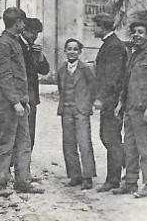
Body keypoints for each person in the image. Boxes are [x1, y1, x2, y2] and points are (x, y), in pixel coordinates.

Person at [0, 7, 44, 197]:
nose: (24, 25)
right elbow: (4, 76)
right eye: (23, 22)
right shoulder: (2, 44)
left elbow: (21, 76)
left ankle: (23, 181)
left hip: (20, 102)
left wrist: (24, 100)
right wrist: (15, 102)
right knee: (5, 143)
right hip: (8, 104)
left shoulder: (14, 42)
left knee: (24, 142)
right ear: (18, 23)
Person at [113, 14, 147, 199]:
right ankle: (130, 182)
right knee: (129, 147)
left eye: (141, 32)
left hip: (142, 109)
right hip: (130, 108)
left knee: (145, 148)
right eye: (134, 32)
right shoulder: (133, 56)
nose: (136, 35)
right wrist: (121, 103)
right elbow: (127, 82)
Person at [91, 12, 127, 192]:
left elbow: (112, 78)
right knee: (108, 137)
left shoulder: (113, 47)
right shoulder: (110, 44)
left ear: (101, 27)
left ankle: (113, 179)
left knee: (110, 138)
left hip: (112, 100)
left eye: (94, 26)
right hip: (110, 99)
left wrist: (101, 98)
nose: (92, 29)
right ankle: (127, 163)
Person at [56, 38, 97, 188]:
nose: (72, 52)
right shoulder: (61, 70)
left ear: (80, 52)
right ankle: (74, 175)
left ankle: (88, 177)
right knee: (68, 143)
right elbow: (61, 89)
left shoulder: (86, 69)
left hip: (81, 111)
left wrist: (87, 104)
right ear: (65, 51)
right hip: (67, 110)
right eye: (69, 49)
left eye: (75, 49)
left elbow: (93, 87)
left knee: (84, 142)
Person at [21, 17, 50, 151]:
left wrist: (40, 57)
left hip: (32, 97)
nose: (35, 37)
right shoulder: (17, 45)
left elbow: (44, 71)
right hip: (19, 96)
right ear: (24, 31)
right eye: (33, 33)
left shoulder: (34, 49)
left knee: (30, 133)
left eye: (37, 34)